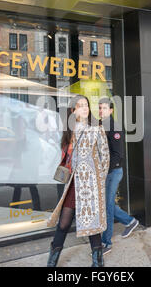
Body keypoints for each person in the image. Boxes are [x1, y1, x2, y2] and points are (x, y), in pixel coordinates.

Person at [46, 95, 110, 267]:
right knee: (64, 222)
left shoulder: (96, 129)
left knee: (92, 222)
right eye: (80, 106)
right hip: (73, 184)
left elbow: (105, 157)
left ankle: (98, 261)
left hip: (91, 185)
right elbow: (66, 157)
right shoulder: (70, 131)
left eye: (86, 105)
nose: (84, 108)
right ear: (73, 111)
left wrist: (99, 181)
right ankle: (52, 260)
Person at [98, 97, 139, 255]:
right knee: (107, 204)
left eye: (104, 108)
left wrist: (105, 171)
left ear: (111, 110)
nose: (101, 111)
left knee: (107, 207)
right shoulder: (101, 125)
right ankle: (130, 221)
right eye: (100, 108)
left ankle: (106, 243)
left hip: (113, 172)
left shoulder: (114, 127)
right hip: (105, 172)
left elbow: (118, 155)